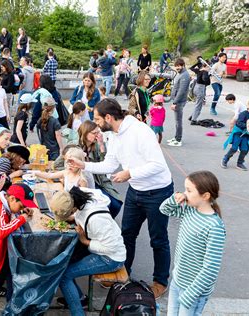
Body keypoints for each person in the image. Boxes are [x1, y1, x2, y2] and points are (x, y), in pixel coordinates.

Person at [67, 98, 174, 298]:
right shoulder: (113, 135)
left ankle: (160, 281)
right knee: (127, 234)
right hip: (136, 191)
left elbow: (158, 165)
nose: (96, 124)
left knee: (158, 239)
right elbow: (109, 165)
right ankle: (124, 273)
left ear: (109, 117)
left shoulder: (141, 131)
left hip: (157, 192)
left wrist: (129, 173)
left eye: (98, 119)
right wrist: (83, 166)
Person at [51, 187, 126, 314]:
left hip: (111, 257)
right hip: (100, 246)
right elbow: (81, 214)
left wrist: (85, 241)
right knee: (63, 263)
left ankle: (78, 312)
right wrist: (73, 217)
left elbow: (110, 247)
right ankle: (79, 299)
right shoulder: (82, 198)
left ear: (73, 208)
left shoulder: (96, 219)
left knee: (64, 276)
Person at [160, 171, 226, 315]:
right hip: (178, 280)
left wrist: (190, 294)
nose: (185, 193)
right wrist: (175, 198)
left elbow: (211, 268)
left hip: (193, 291)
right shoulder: (190, 210)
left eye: (189, 190)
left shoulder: (214, 227)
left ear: (205, 196)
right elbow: (164, 209)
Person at [77, 120, 122, 218]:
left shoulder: (96, 145)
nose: (97, 135)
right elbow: (59, 163)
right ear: (85, 133)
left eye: (98, 132)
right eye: (94, 133)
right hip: (85, 182)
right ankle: (101, 221)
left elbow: (105, 165)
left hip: (99, 180)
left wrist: (102, 145)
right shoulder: (75, 146)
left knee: (116, 204)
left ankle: (107, 220)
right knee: (106, 204)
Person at [221, 99, 249, 171]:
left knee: (244, 149)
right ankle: (225, 159)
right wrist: (247, 126)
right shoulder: (243, 114)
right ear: (248, 106)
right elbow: (238, 123)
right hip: (238, 133)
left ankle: (240, 163)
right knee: (234, 148)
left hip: (246, 135)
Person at [168, 58, 191, 147]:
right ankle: (176, 137)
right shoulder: (181, 73)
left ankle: (178, 140)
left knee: (178, 121)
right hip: (177, 101)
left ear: (183, 65)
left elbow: (182, 91)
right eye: (176, 66)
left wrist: (175, 102)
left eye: (179, 66)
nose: (177, 68)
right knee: (177, 120)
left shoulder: (185, 75)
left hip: (179, 101)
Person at [189, 57, 211, 124]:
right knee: (199, 105)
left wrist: (198, 62)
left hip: (196, 88)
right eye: (209, 66)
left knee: (197, 103)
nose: (209, 67)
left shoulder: (199, 70)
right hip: (200, 89)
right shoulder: (205, 72)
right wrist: (208, 75)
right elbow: (206, 82)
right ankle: (194, 120)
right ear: (206, 65)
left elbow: (191, 68)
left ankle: (192, 116)